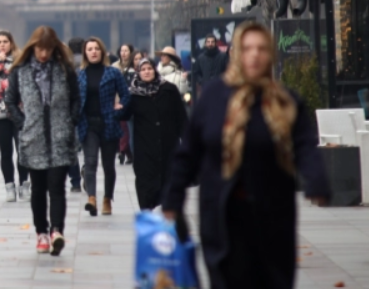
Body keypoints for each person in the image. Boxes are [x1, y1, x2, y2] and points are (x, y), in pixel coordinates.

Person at [163, 21, 330, 289]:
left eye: (261, 48)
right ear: (235, 53)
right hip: (222, 214)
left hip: (272, 214)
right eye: (247, 48)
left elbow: (305, 145)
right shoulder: (214, 97)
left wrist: (316, 179)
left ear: (270, 54)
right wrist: (173, 198)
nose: (254, 55)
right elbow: (188, 153)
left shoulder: (285, 100)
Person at [4, 26, 80, 256]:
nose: (44, 54)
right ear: (33, 47)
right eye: (40, 49)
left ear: (54, 48)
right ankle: (41, 233)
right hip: (33, 137)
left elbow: (76, 99)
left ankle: (57, 231)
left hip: (60, 136)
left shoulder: (65, 69)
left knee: (57, 187)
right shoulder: (20, 71)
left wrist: (70, 121)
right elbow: (10, 101)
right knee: (38, 189)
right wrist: (23, 123)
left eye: (48, 49)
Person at [118, 59, 186, 210]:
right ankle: (147, 213)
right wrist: (117, 105)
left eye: (149, 68)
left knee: (169, 184)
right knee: (146, 186)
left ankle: (168, 215)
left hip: (168, 146)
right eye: (143, 70)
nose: (147, 72)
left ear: (155, 70)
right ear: (138, 73)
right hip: (144, 148)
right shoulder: (133, 94)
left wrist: (188, 141)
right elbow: (124, 115)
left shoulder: (169, 90)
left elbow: (181, 116)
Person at [77, 37, 130, 217]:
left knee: (108, 165)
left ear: (102, 51)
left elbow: (126, 95)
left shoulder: (113, 73)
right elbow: (74, 98)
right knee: (90, 162)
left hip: (108, 122)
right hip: (88, 124)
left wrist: (120, 108)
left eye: (96, 48)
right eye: (90, 49)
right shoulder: (80, 74)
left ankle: (107, 199)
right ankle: (91, 198)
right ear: (85, 53)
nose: (93, 52)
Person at [0, 31, 30, 202]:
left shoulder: (21, 60)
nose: (2, 44)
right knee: (6, 151)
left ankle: (24, 185)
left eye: (5, 41)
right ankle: (9, 187)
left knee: (22, 150)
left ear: (11, 43)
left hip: (19, 110)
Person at [66, 38, 86, 192]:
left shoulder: (65, 65)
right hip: (87, 109)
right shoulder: (88, 64)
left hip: (70, 109)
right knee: (88, 145)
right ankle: (87, 167)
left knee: (71, 148)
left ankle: (75, 181)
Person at [114, 43, 135, 165]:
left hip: (130, 102)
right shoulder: (114, 67)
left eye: (126, 50)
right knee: (122, 128)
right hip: (118, 101)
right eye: (122, 50)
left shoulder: (134, 68)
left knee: (128, 129)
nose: (123, 53)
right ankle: (123, 151)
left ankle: (127, 152)